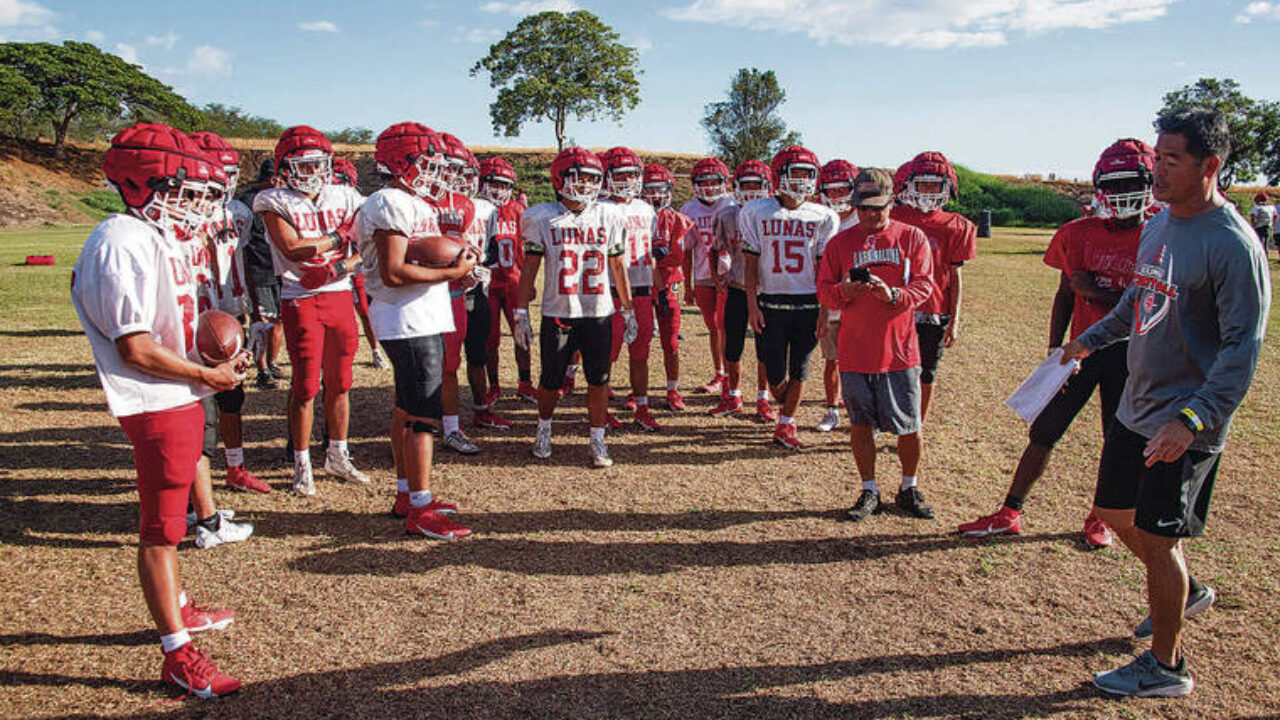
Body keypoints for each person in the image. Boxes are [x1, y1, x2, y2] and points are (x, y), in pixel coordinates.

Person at [1061, 108, 1270, 698]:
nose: (1156, 171)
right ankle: (1187, 591)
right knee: (1116, 513)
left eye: (1170, 160)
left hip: (1182, 420)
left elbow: (1241, 351)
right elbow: (1137, 300)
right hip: (1136, 405)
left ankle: (1166, 666)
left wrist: (1192, 419)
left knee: (1161, 539)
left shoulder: (1232, 245)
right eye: (1156, 157)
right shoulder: (1160, 223)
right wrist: (1088, 340)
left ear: (1210, 165)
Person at [72, 122, 242, 697]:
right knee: (162, 530)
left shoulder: (157, 236)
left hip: (181, 392)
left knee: (171, 519)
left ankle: (180, 604)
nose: (194, 206)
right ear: (142, 185)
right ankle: (176, 652)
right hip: (156, 398)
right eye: (184, 193)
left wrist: (222, 354)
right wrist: (206, 373)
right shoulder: (120, 239)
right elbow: (136, 346)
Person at [959, 139, 1158, 547]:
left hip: (1132, 353)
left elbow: (1150, 307)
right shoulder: (1077, 233)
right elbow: (1065, 293)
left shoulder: (1161, 235)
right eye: (1113, 185)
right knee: (1045, 430)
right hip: (1081, 349)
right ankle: (1010, 511)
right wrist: (1055, 349)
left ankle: (1100, 516)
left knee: (1116, 439)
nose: (1121, 195)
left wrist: (1095, 292)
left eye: (1130, 184)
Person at [358, 122, 475, 539]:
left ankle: (408, 493)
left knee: (407, 411)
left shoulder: (410, 201)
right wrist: (452, 271)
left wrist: (454, 266)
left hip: (417, 316)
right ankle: (421, 508)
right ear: (399, 162)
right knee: (423, 415)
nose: (435, 173)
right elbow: (392, 272)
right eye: (426, 164)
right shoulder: (389, 201)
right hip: (405, 319)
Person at [254, 125, 369, 496]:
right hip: (299, 296)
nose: (311, 173)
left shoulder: (347, 194)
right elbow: (292, 249)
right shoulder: (274, 199)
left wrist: (341, 266)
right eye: (301, 166)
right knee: (305, 384)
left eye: (317, 164)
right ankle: (301, 460)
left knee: (341, 381)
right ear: (284, 167)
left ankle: (338, 453)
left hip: (338, 293)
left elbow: (367, 245)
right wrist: (337, 237)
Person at [817, 167, 936, 520]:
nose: (870, 214)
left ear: (891, 202)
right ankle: (869, 490)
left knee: (910, 425)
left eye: (877, 207)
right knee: (860, 424)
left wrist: (894, 295)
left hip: (899, 351)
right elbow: (824, 290)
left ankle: (908, 487)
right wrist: (844, 292)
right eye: (863, 207)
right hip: (855, 351)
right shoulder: (840, 243)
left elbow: (925, 285)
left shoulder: (912, 238)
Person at [515, 146, 633, 467]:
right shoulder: (541, 217)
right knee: (550, 379)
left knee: (599, 378)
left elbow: (618, 265)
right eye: (577, 177)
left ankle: (597, 440)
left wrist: (629, 308)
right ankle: (543, 430)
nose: (584, 185)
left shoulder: (610, 215)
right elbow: (529, 268)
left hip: (598, 312)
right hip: (559, 311)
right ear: (559, 178)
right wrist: (521, 312)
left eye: (591, 179)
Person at [188, 131, 272, 497]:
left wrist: (254, 311)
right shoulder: (177, 217)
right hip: (193, 316)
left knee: (232, 396)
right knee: (198, 409)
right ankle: (193, 487)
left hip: (231, 310)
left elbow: (247, 262)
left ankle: (236, 468)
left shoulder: (238, 213)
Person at [741, 145, 840, 449]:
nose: (800, 180)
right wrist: (752, 305)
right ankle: (786, 407)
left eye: (806, 174)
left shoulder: (825, 216)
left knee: (801, 365)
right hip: (771, 301)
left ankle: (786, 424)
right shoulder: (755, 211)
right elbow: (750, 264)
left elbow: (826, 269)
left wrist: (825, 310)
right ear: (779, 175)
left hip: (807, 300)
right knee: (774, 374)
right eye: (794, 173)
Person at [890, 151, 977, 422]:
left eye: (934, 185)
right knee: (890, 368)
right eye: (922, 183)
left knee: (926, 372)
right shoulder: (893, 217)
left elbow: (955, 276)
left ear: (947, 187)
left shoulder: (956, 225)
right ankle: (889, 416)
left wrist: (955, 319)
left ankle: (916, 423)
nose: (928, 190)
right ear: (909, 184)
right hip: (895, 307)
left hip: (933, 310)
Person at [600, 146, 663, 431]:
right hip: (609, 292)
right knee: (606, 355)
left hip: (641, 290)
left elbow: (650, 252)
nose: (627, 180)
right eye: (620, 174)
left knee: (641, 354)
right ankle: (600, 408)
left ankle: (642, 406)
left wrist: (657, 289)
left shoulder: (647, 209)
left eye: (632, 174)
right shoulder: (598, 208)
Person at [708, 159, 776, 420]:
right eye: (745, 185)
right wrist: (717, 277)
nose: (750, 190)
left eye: (756, 185)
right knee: (733, 346)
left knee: (765, 349)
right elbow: (714, 248)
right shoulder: (727, 214)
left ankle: (763, 399)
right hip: (736, 287)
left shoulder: (773, 213)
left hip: (766, 290)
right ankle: (733, 396)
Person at [479, 156, 536, 404]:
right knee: (489, 340)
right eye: (493, 184)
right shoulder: (476, 209)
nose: (498, 190)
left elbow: (526, 249)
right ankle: (494, 385)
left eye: (503, 185)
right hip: (487, 284)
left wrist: (528, 282)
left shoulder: (517, 210)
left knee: (522, 334)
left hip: (513, 281)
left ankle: (525, 383)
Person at [643, 162, 698, 411]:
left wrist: (653, 257)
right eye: (649, 189)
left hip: (667, 284)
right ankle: (638, 391)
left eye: (659, 189)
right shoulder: (632, 215)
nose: (655, 195)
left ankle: (672, 389)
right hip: (641, 284)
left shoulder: (678, 219)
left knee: (671, 341)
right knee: (639, 340)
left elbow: (676, 256)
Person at [680, 157, 735, 396]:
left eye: (714, 181)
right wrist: (688, 284)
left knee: (726, 327)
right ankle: (719, 374)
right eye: (705, 182)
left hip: (731, 275)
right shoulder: (689, 208)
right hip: (703, 276)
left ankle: (732, 378)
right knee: (713, 328)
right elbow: (687, 250)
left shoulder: (734, 202)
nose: (710, 187)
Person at [814, 159, 860, 432]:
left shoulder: (865, 216)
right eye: (831, 191)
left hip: (861, 304)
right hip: (831, 301)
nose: (837, 196)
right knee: (832, 359)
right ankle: (832, 410)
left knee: (863, 362)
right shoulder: (819, 218)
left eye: (843, 190)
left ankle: (864, 413)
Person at [333, 157, 388, 369]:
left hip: (355, 263)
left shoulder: (361, 202)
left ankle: (375, 349)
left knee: (365, 311)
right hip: (334, 261)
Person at [238, 159, 286, 390]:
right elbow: (246, 243)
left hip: (277, 268)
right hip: (259, 268)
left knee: (278, 321)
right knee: (263, 322)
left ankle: (272, 362)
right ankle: (262, 369)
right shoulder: (248, 203)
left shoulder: (279, 200)